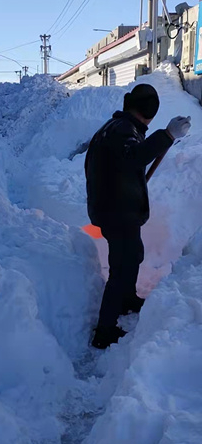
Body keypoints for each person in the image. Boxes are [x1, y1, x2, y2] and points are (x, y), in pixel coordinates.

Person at [85, 83, 191, 349]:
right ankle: (105, 331)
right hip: (116, 211)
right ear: (148, 113)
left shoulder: (117, 127)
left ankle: (128, 298)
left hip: (115, 206)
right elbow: (134, 156)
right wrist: (167, 135)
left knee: (133, 255)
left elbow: (123, 164)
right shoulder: (122, 132)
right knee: (121, 267)